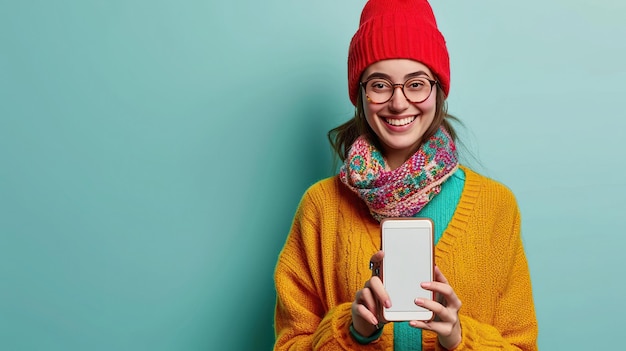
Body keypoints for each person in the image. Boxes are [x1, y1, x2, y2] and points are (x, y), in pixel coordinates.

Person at [273, 0, 539, 349]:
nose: (398, 103)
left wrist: (460, 339)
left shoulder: (495, 206)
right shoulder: (321, 208)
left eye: (416, 84)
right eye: (380, 85)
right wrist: (353, 332)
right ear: (360, 95)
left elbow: (522, 345)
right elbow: (288, 344)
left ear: (438, 90)